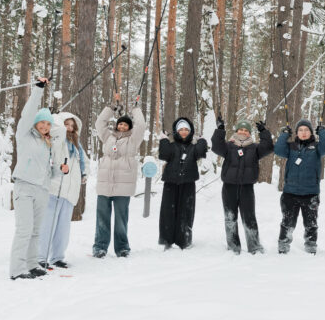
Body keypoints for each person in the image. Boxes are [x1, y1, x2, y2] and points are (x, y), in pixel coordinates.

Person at [10, 77, 68, 280]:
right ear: (35, 123)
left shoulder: (47, 144)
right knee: (24, 230)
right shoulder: (24, 134)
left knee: (36, 231)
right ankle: (17, 270)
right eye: (42, 122)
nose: (45, 126)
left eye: (48, 124)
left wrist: (61, 169)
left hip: (42, 190)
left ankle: (33, 264)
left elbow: (50, 172)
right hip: (24, 187)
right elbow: (27, 114)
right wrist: (38, 90)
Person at [93, 95, 146, 258]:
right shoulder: (108, 137)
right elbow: (99, 123)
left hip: (123, 186)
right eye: (120, 123)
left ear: (129, 127)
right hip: (105, 184)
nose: (122, 126)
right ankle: (100, 247)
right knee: (102, 218)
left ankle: (122, 247)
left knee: (121, 219)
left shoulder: (133, 140)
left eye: (125, 124)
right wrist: (111, 108)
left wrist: (136, 109)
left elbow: (141, 125)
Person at [211, 117, 273, 254]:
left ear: (250, 133)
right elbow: (216, 146)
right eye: (241, 129)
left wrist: (263, 131)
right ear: (236, 131)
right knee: (230, 217)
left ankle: (254, 247)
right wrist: (220, 130)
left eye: (246, 130)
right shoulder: (228, 147)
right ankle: (233, 247)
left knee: (249, 217)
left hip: (247, 188)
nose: (243, 132)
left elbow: (268, 147)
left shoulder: (255, 148)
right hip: (229, 187)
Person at [37, 112, 88, 270]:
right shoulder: (56, 139)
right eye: (67, 124)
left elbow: (84, 162)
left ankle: (58, 257)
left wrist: (84, 174)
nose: (69, 128)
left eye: (72, 126)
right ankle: (40, 257)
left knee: (63, 228)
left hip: (69, 192)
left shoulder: (77, 145)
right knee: (47, 225)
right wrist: (58, 117)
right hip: (54, 189)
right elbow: (56, 127)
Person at [275, 119, 325, 254]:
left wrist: (323, 132)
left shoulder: (317, 147)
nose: (303, 132)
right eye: (300, 130)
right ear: (297, 133)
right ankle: (283, 246)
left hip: (310, 193)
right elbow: (278, 150)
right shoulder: (291, 147)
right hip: (290, 192)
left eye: (306, 130)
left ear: (311, 132)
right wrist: (284, 134)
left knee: (311, 223)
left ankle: (311, 246)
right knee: (287, 222)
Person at [157, 118, 209, 250]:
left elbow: (201, 152)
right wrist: (163, 140)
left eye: (186, 129)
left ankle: (184, 239)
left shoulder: (193, 147)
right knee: (168, 212)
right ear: (176, 131)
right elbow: (164, 155)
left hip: (188, 183)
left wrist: (202, 140)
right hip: (171, 183)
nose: (184, 132)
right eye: (181, 129)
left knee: (186, 212)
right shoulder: (171, 145)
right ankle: (167, 240)